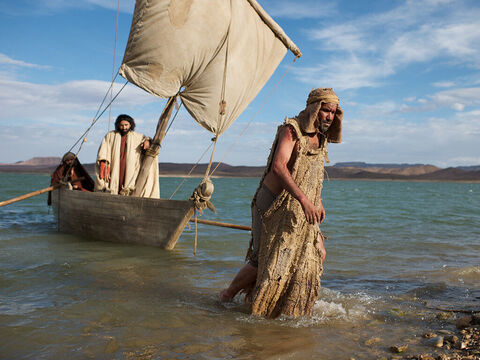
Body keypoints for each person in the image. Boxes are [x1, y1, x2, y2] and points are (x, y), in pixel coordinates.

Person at [220, 88, 343, 318]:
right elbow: (279, 167)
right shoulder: (292, 130)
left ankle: (282, 307)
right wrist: (305, 199)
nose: (329, 116)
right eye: (326, 110)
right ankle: (227, 295)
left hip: (301, 205)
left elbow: (312, 174)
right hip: (272, 203)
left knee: (317, 251)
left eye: (334, 112)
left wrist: (317, 201)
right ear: (314, 108)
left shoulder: (321, 138)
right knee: (262, 259)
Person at [94, 114, 159, 198]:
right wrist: (104, 162)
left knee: (128, 186)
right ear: (118, 125)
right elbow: (104, 149)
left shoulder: (137, 136)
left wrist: (147, 141)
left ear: (130, 125)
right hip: (115, 166)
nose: (124, 127)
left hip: (130, 168)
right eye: (121, 125)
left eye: (126, 125)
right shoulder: (111, 135)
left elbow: (146, 139)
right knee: (113, 184)